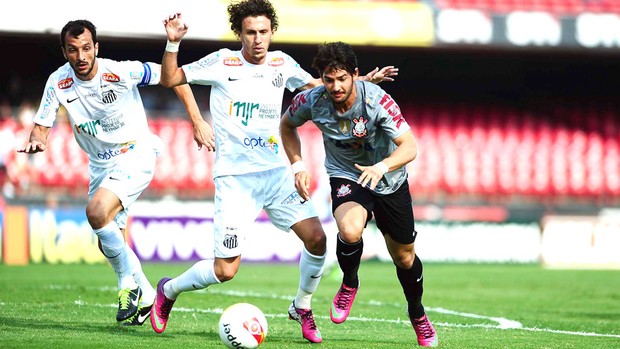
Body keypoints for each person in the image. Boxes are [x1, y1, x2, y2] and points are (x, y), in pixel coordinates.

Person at [153, 0, 397, 343]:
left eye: (263, 32)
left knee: (317, 239)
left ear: (271, 33)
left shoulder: (282, 64)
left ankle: (302, 305)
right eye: (250, 32)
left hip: (275, 173)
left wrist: (363, 83)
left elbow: (318, 88)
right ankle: (170, 289)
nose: (257, 39)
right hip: (235, 180)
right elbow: (170, 78)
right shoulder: (222, 62)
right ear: (240, 32)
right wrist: (173, 43)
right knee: (226, 270)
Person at [17, 19, 209, 326]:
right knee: (106, 240)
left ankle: (126, 286)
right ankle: (147, 295)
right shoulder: (58, 82)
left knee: (96, 211)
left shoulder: (119, 71)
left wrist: (197, 121)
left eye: (86, 48)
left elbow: (173, 77)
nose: (80, 56)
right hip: (101, 165)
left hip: (136, 151)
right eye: (72, 50)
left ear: (96, 48)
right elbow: (41, 128)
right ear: (64, 51)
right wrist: (36, 142)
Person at [280, 41, 438, 347]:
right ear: (321, 78)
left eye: (342, 78)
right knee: (350, 230)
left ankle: (417, 313)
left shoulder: (376, 100)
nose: (335, 86)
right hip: (347, 174)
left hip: (388, 179)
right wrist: (297, 164)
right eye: (328, 79)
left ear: (355, 75)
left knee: (404, 258)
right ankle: (350, 282)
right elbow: (287, 125)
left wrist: (383, 166)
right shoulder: (311, 100)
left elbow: (410, 146)